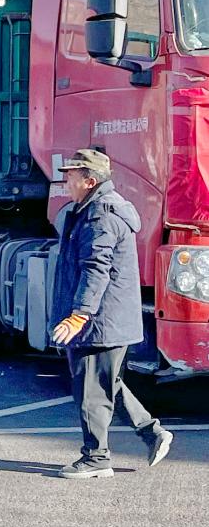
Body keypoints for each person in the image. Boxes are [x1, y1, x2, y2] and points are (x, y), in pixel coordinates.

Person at [51, 149, 173, 479]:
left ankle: (96, 457)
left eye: (72, 175)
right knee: (107, 384)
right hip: (106, 318)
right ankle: (151, 432)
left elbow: (96, 269)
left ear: (90, 181)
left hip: (100, 320)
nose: (67, 180)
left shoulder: (100, 215)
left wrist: (80, 314)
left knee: (91, 389)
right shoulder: (90, 208)